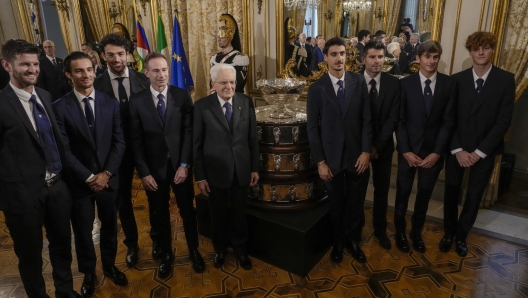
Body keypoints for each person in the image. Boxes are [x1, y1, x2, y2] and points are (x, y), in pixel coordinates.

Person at [0, 39, 80, 298]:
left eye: (35, 63)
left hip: (56, 189)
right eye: (24, 64)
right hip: (22, 198)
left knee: (62, 248)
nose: (32, 69)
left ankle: (65, 292)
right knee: (30, 257)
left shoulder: (45, 96)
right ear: (6, 65)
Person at [54, 51, 127, 297]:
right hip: (79, 183)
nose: (86, 75)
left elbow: (119, 142)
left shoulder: (110, 103)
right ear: (68, 75)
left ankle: (109, 265)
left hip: (108, 180)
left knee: (109, 226)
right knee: (83, 232)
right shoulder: (59, 108)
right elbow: (64, 150)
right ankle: (88, 272)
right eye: (79, 70)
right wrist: (89, 177)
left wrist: (106, 173)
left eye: (89, 69)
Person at [130, 52, 205, 278]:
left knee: (188, 212)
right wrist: (144, 173)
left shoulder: (181, 96)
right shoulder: (136, 101)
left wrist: (184, 164)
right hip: (154, 171)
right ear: (146, 73)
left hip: (179, 167)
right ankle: (166, 255)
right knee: (159, 213)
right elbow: (136, 141)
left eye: (164, 70)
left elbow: (189, 133)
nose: (161, 75)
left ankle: (194, 250)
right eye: (155, 70)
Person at [441, 31, 515, 257]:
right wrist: (458, 150)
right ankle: (448, 233)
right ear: (471, 51)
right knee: (451, 193)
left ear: (492, 49)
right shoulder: (457, 79)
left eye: (485, 47)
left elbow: (503, 121)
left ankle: (462, 236)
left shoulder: (505, 79)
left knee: (473, 197)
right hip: (457, 150)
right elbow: (448, 119)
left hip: (486, 151)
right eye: (476, 48)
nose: (480, 52)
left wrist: (480, 152)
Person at [307, 37, 372, 264]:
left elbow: (366, 120)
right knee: (335, 205)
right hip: (331, 159)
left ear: (347, 55)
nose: (339, 58)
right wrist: (320, 161)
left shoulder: (358, 81)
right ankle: (338, 242)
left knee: (356, 203)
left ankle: (353, 241)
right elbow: (312, 128)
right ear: (325, 57)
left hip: (357, 157)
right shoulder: (317, 88)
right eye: (334, 54)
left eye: (342, 53)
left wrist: (366, 152)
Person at [194, 63, 259, 271]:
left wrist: (254, 168)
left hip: (241, 170)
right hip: (215, 173)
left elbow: (252, 140)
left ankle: (241, 249)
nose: (229, 86)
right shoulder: (202, 106)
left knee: (240, 213)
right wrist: (200, 177)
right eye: (224, 82)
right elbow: (196, 145)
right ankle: (220, 249)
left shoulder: (246, 102)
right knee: (218, 214)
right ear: (214, 84)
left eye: (232, 82)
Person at [94, 33, 150, 267]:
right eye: (110, 54)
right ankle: (132, 244)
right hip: (116, 155)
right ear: (103, 56)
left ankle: (158, 240)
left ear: (127, 54)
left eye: (120, 54)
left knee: (156, 198)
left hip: (145, 150)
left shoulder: (143, 81)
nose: (116, 59)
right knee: (123, 201)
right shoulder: (96, 85)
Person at [395, 40, 456, 254]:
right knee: (402, 193)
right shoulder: (404, 84)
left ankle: (416, 232)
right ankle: (400, 232)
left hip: (432, 153)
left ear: (438, 58)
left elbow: (448, 123)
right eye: (427, 57)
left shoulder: (449, 85)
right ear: (418, 58)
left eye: (435, 57)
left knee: (424, 194)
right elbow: (400, 121)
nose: (431, 61)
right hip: (407, 152)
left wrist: (437, 152)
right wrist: (405, 151)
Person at [360, 40, 400, 250]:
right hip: (359, 150)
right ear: (364, 59)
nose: (377, 61)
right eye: (373, 57)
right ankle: (356, 229)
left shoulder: (394, 84)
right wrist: (365, 148)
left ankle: (380, 230)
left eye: (381, 57)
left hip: (383, 149)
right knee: (357, 192)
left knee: (382, 192)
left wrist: (376, 146)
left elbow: (393, 118)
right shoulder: (354, 82)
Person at [210, 14, 249, 93]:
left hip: (233, 97)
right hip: (216, 97)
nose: (219, 40)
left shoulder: (239, 58)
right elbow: (212, 80)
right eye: (218, 37)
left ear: (230, 38)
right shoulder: (215, 57)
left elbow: (239, 83)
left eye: (222, 37)